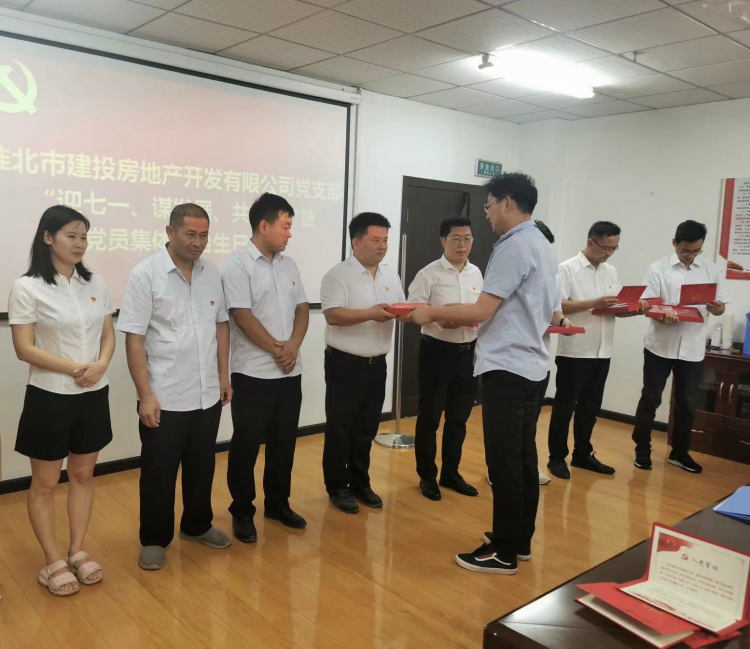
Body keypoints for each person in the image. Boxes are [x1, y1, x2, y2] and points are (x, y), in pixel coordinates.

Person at [413, 172, 561, 575]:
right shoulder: (542, 241)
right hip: (531, 365)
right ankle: (519, 539)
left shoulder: (513, 246)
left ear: (507, 203)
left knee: (504, 462)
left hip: (508, 367)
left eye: (489, 205)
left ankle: (504, 552)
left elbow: (481, 310)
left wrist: (431, 312)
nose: (488, 214)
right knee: (522, 456)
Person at [118, 203, 232, 571]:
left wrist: (223, 376)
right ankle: (154, 539)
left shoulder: (211, 273)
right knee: (159, 473)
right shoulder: (146, 274)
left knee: (202, 466)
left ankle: (197, 525)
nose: (198, 242)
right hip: (164, 395)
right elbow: (134, 338)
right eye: (190, 234)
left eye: (204, 235)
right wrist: (146, 395)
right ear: (170, 231)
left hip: (206, 392)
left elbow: (221, 326)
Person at [9, 205, 115, 596]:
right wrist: (75, 368)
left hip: (93, 393)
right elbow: (24, 348)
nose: (79, 243)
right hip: (50, 396)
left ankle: (77, 550)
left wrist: (101, 365)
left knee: (84, 476)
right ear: (48, 237)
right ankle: (52, 559)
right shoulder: (27, 287)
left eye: (84, 236)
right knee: (46, 482)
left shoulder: (95, 282)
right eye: (71, 236)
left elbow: (108, 332)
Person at [221, 193, 309, 544]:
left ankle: (278, 504)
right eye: (285, 226)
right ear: (263, 225)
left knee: (283, 444)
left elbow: (302, 308)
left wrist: (294, 346)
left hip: (289, 372)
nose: (289, 233)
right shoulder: (238, 264)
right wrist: (278, 349)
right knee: (245, 446)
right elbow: (242, 316)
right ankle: (243, 511)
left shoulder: (289, 265)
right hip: (253, 373)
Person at [320, 212, 406, 514]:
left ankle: (360, 483)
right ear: (356, 242)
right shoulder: (338, 275)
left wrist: (411, 313)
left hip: (377, 364)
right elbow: (332, 315)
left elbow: (398, 307)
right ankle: (337, 487)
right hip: (345, 364)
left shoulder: (390, 275)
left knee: (366, 428)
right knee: (341, 428)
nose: (382, 246)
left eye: (385, 240)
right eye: (375, 240)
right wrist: (371, 313)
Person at [632, 220, 728, 474]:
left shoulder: (711, 270)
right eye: (685, 250)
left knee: (687, 402)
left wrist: (718, 308)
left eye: (696, 251)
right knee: (651, 397)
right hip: (659, 346)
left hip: (692, 348)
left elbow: (720, 307)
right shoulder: (658, 269)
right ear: (674, 243)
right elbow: (647, 305)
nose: (690, 255)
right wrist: (660, 314)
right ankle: (642, 448)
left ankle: (680, 452)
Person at [546, 221, 635, 480]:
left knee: (590, 407)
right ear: (590, 242)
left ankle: (582, 454)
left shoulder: (610, 271)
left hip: (602, 350)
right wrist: (594, 303)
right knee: (564, 406)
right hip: (575, 351)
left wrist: (634, 309)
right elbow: (558, 306)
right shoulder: (567, 268)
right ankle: (556, 457)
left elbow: (613, 308)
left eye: (614, 248)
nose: (609, 253)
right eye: (606, 247)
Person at [407, 216, 483, 501]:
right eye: (456, 239)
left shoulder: (477, 273)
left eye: (467, 239)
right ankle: (427, 476)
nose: (463, 245)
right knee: (429, 417)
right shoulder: (428, 273)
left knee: (459, 418)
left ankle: (451, 473)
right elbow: (414, 310)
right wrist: (440, 319)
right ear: (443, 241)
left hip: (468, 352)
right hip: (437, 352)